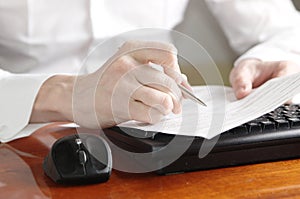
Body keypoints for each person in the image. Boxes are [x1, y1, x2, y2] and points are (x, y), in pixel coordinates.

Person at [1, 0, 300, 142]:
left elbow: (286, 29)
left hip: (163, 140)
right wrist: (63, 94)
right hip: (21, 144)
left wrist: (269, 57)